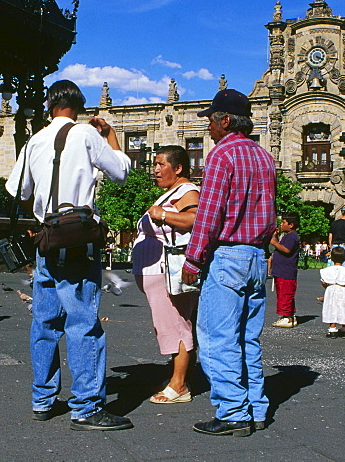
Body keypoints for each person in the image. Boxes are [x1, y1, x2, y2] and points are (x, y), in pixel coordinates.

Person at [5, 79, 133, 432]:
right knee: (82, 321)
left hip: (47, 239)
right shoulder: (86, 135)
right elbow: (121, 172)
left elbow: (16, 188)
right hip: (78, 240)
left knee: (45, 322)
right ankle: (87, 406)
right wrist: (109, 135)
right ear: (78, 106)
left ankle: (42, 399)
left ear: (49, 106)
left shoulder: (35, 141)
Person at [181, 88, 275, 437]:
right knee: (248, 339)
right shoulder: (264, 157)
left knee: (217, 338)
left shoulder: (222, 156)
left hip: (228, 255)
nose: (207, 125)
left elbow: (209, 213)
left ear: (224, 121)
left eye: (210, 119)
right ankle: (256, 407)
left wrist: (193, 258)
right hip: (256, 256)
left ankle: (233, 411)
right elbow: (269, 213)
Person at [133, 145, 199, 405]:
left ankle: (180, 385)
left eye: (161, 164)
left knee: (176, 325)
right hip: (156, 271)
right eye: (155, 164)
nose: (155, 169)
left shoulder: (187, 191)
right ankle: (178, 377)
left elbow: (194, 219)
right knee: (169, 325)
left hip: (167, 271)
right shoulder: (172, 192)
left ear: (178, 168)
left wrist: (163, 214)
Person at [270, 212, 300, 328]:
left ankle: (287, 316)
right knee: (283, 293)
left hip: (286, 271)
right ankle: (288, 315)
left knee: (285, 293)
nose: (281, 225)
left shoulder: (292, 236)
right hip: (282, 270)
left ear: (291, 225)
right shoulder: (287, 236)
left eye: (283, 222)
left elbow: (286, 250)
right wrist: (276, 237)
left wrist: (274, 242)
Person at [320, 246, 345, 337]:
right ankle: (344, 328)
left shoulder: (327, 271)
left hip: (331, 290)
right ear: (344, 258)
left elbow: (323, 282)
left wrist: (327, 287)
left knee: (332, 308)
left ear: (331, 258)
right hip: (344, 290)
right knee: (344, 308)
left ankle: (332, 328)